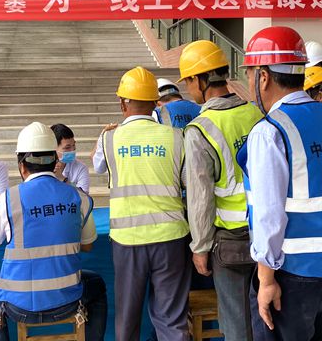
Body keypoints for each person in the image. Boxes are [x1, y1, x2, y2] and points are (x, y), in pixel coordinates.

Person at [236, 27, 322, 341]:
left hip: (293, 277)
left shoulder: (271, 131)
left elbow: (269, 214)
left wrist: (266, 280)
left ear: (263, 77)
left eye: (249, 75)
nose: (249, 83)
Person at [0, 122, 107, 341]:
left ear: (22, 166)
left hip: (18, 306)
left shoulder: (9, 198)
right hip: (68, 301)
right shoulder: (78, 196)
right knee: (97, 285)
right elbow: (88, 245)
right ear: (55, 162)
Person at [92, 66, 190, 341]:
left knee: (128, 317)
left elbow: (98, 166)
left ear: (122, 103)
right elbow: (187, 182)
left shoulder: (109, 138)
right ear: (155, 103)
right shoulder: (176, 136)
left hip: (128, 241)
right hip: (171, 239)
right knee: (172, 319)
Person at [179, 40, 263, 341]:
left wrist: (200, 246)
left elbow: (200, 196)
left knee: (236, 320)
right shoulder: (256, 113)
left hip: (230, 241)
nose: (189, 89)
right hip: (266, 231)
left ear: (199, 80)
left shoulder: (200, 129)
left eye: (188, 82)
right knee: (265, 314)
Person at [51, 123, 90, 193]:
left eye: (74, 145)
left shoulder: (81, 168)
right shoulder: (42, 168)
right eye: (67, 147)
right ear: (53, 148)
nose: (72, 150)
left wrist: (63, 179)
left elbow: (84, 195)